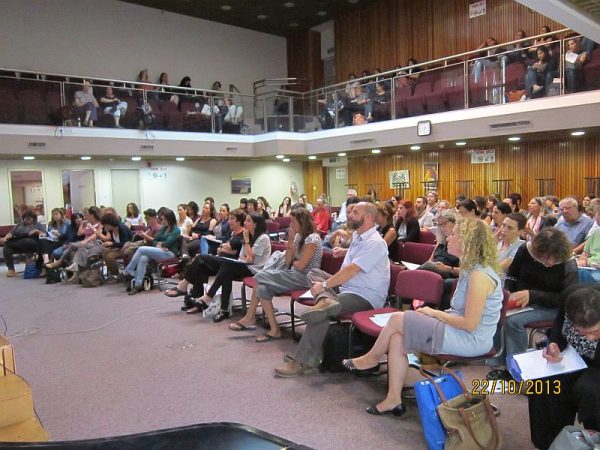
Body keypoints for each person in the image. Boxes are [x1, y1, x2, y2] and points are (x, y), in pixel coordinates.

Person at [343, 218, 503, 415]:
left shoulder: (479, 276)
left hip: (470, 339)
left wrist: (434, 313)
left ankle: (371, 358)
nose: (448, 238)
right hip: (458, 330)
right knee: (397, 338)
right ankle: (393, 399)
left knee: (397, 319)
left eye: (454, 235)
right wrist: (435, 316)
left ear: (467, 241)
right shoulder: (470, 269)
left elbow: (470, 324)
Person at [274, 202, 390, 377]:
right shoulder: (358, 236)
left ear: (367, 217)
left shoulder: (375, 242)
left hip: (364, 296)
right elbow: (356, 262)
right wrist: (344, 251)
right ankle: (326, 301)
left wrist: (325, 286)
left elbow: (352, 270)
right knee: (314, 273)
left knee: (320, 312)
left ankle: (302, 361)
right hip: (348, 287)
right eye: (350, 211)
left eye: (355, 212)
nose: (350, 214)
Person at [229, 208, 323, 340]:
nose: (291, 224)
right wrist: (291, 240)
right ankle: (275, 330)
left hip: (306, 278)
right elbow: (288, 261)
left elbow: (301, 266)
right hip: (294, 274)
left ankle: (250, 317)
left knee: (259, 276)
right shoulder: (298, 237)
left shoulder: (313, 239)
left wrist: (294, 261)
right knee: (262, 289)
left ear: (302, 222)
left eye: (293, 221)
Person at [528, 287, 600, 450]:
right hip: (573, 357)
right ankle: (550, 443)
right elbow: (558, 327)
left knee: (589, 390)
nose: (590, 338)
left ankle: (594, 442)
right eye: (581, 332)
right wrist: (555, 345)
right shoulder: (570, 299)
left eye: (595, 331)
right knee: (544, 381)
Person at [503, 228, 578, 361]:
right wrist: (508, 292)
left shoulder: (569, 263)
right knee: (496, 312)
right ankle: (501, 359)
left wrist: (532, 295)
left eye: (555, 258)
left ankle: (518, 362)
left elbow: (568, 299)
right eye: (545, 257)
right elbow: (512, 275)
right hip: (524, 303)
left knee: (513, 321)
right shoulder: (525, 250)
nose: (550, 263)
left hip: (553, 308)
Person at [191, 213, 271, 322]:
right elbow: (242, 256)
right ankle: (224, 310)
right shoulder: (248, 236)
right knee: (227, 271)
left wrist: (246, 241)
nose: (245, 223)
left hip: (256, 270)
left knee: (226, 266)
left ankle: (209, 296)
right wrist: (247, 256)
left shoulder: (263, 238)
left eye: (248, 221)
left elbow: (251, 258)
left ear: (255, 224)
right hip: (246, 265)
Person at [122, 208, 181, 295]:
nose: (162, 221)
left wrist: (161, 243)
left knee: (141, 249)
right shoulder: (164, 229)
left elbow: (168, 243)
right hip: (161, 251)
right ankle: (138, 285)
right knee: (143, 258)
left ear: (170, 219)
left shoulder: (176, 230)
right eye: (162, 219)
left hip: (170, 253)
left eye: (164, 219)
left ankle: (128, 271)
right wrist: (159, 243)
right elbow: (155, 240)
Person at [1, 210, 46, 277]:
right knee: (7, 247)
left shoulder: (38, 225)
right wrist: (5, 238)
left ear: (33, 218)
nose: (27, 221)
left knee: (25, 241)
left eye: (29, 219)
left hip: (33, 243)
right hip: (19, 243)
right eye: (26, 218)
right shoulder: (19, 225)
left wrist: (37, 232)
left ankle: (8, 243)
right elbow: (11, 233)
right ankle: (11, 269)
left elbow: (45, 235)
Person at [100, 213, 133, 281]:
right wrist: (109, 244)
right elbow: (115, 242)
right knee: (104, 252)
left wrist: (111, 244)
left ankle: (115, 275)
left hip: (127, 249)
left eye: (106, 225)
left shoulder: (122, 229)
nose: (105, 227)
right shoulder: (111, 230)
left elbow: (125, 243)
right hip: (119, 247)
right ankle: (113, 274)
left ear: (110, 224)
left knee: (109, 256)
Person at [497, 213, 526, 284]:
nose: (504, 229)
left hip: (503, 286)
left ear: (520, 232)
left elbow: (500, 268)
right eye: (503, 225)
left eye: (509, 228)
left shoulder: (521, 246)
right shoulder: (498, 241)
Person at [577, 201, 600, 283]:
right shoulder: (596, 233)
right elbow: (584, 254)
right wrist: (582, 260)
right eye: (598, 214)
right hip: (590, 268)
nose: (597, 217)